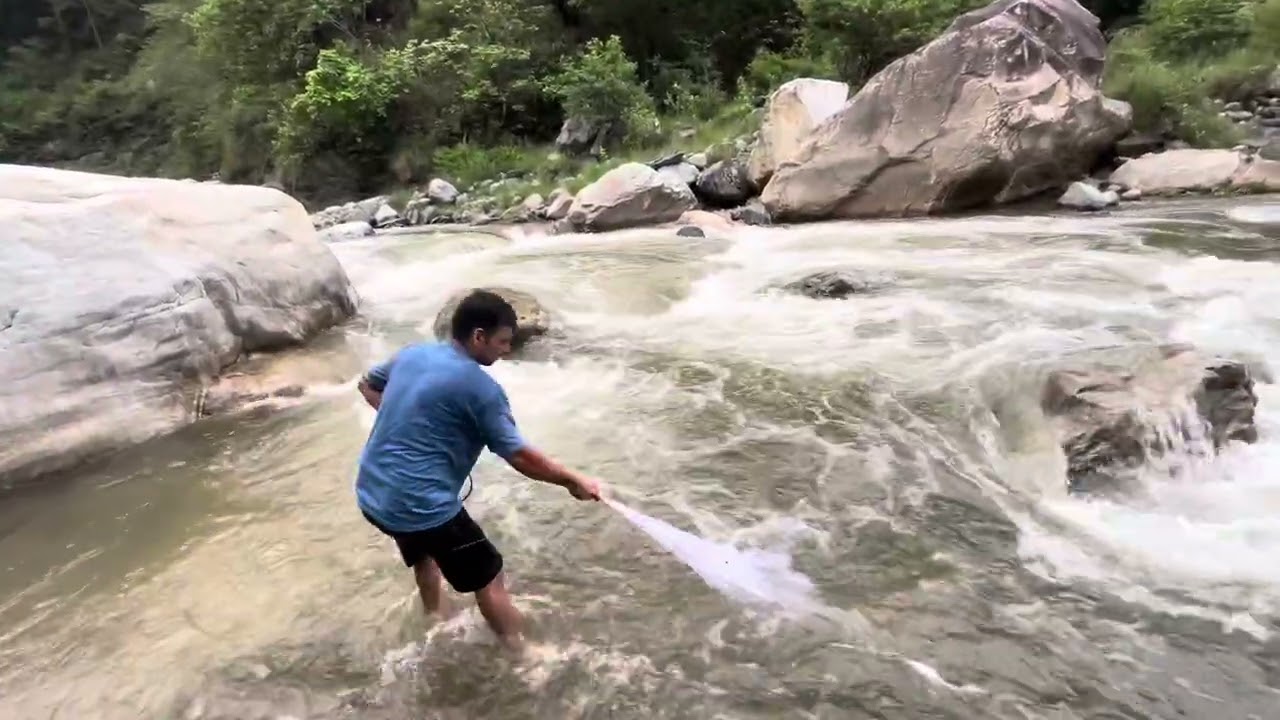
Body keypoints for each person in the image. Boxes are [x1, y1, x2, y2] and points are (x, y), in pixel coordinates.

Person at [354, 289, 602, 652]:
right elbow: (518, 455)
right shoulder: (481, 389)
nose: (506, 350)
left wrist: (413, 426)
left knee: (424, 554)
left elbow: (368, 384)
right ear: (478, 336)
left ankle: (435, 617)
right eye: (502, 341)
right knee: (490, 576)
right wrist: (571, 480)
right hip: (420, 503)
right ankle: (524, 656)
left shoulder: (415, 354)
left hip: (374, 492)